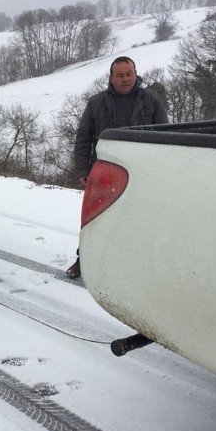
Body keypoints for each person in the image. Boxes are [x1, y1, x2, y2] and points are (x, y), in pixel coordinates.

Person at [67, 56, 168, 278]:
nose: (125, 79)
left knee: (137, 220)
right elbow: (83, 138)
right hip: (105, 172)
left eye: (129, 74)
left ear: (136, 73)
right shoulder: (96, 102)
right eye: (120, 75)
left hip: (143, 172)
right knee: (96, 220)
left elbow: (166, 138)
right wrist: (83, 170)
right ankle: (83, 261)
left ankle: (131, 265)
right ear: (111, 78)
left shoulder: (151, 100)